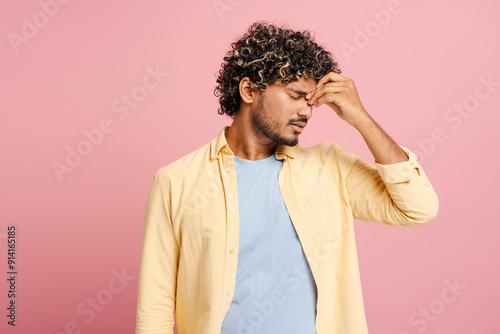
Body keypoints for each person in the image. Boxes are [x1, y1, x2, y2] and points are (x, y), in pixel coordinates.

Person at [135, 22, 439, 334]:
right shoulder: (176, 182)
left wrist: (360, 119)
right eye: (296, 95)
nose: (307, 112)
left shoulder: (330, 168)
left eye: (311, 100)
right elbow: (155, 305)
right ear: (249, 90)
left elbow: (418, 208)